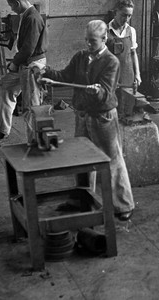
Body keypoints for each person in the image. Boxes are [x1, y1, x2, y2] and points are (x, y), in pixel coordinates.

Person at [41, 20, 134, 221]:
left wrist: (97, 90)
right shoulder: (81, 57)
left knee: (112, 160)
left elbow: (106, 93)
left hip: (103, 117)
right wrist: (46, 72)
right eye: (86, 40)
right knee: (82, 159)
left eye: (92, 41)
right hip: (82, 114)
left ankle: (123, 204)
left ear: (104, 39)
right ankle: (82, 200)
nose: (88, 44)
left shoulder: (111, 62)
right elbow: (65, 75)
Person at [0, 0, 48, 146]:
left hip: (32, 65)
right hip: (24, 64)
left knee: (31, 107)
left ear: (17, 2)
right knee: (3, 87)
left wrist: (14, 62)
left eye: (12, 5)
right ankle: (1, 130)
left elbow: (28, 48)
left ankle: (35, 143)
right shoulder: (25, 16)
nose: (12, 9)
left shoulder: (33, 17)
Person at [107, 0, 141, 116]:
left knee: (127, 110)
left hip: (128, 76)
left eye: (129, 16)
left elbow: (133, 53)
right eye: (123, 15)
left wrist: (137, 75)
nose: (126, 19)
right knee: (113, 111)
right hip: (111, 77)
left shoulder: (131, 31)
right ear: (115, 12)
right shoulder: (105, 31)